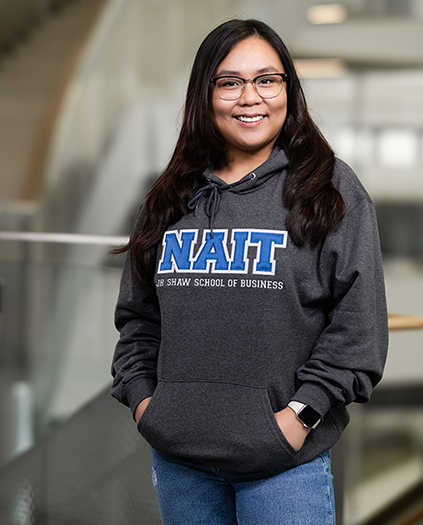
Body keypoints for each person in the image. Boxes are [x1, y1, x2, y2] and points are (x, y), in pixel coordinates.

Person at [111, 19, 388, 524]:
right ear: (205, 93)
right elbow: (138, 319)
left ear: (288, 89)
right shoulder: (169, 197)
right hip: (179, 462)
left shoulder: (329, 189)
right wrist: (147, 406)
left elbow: (358, 329)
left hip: (284, 467)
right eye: (230, 81)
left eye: (267, 79)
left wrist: (299, 417)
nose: (250, 97)